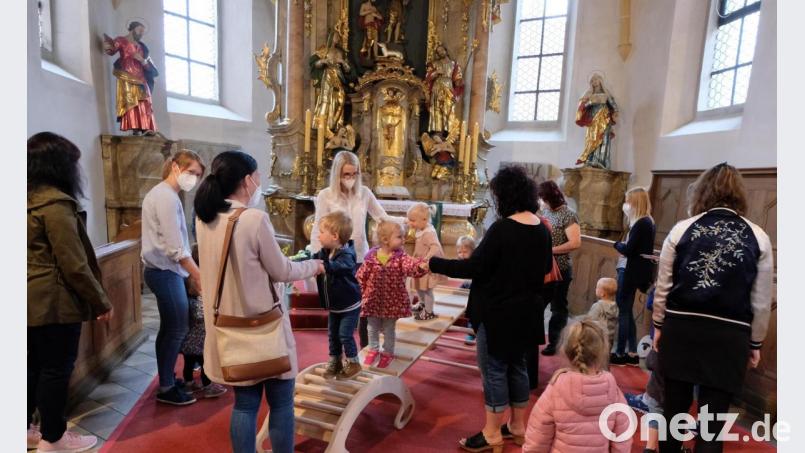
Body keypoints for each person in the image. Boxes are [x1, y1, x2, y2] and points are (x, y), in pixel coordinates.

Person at [194, 151, 323, 453]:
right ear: (247, 180)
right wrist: (314, 266)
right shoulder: (253, 219)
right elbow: (281, 271)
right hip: (262, 324)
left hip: (228, 325)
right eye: (258, 176)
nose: (260, 182)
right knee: (280, 403)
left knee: (244, 405)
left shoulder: (206, 217)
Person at [427, 165, 553, 452]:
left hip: (498, 313)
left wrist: (435, 263)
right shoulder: (541, 229)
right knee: (517, 366)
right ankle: (518, 426)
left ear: (506, 196)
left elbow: (475, 267)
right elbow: (545, 267)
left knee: (494, 370)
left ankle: (492, 432)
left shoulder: (502, 229)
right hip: (527, 313)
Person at [653, 163, 773, 453]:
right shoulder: (758, 236)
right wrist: (755, 342)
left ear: (702, 192)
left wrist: (659, 325)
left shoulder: (682, 229)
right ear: (739, 195)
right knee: (712, 426)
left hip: (682, 330)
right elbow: (760, 299)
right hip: (729, 337)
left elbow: (664, 287)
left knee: (674, 416)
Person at [28, 132, 114, 452]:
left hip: (26, 300)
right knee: (55, 369)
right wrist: (100, 301)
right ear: (59, 166)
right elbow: (74, 264)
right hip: (54, 303)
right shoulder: (55, 204)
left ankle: (25, 428)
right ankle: (53, 438)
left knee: (32, 366)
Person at [310, 150, 404, 348]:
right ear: (337, 174)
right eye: (346, 175)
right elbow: (319, 226)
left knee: (364, 306)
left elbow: (382, 216)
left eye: (354, 174)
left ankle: (366, 348)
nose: (351, 178)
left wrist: (404, 222)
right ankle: (338, 351)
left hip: (361, 256)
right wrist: (316, 258)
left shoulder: (364, 193)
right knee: (341, 307)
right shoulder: (326, 195)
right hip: (337, 259)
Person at [141, 149, 206, 406]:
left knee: (170, 329)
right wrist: (198, 275)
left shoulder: (165, 194)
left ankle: (167, 378)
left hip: (166, 270)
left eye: (198, 175)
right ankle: (167, 388)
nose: (194, 178)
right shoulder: (166, 197)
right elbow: (175, 248)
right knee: (177, 328)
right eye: (191, 172)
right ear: (176, 167)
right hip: (164, 271)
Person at [522, 320, 633, 453]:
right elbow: (623, 438)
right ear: (603, 351)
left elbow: (537, 439)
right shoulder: (613, 391)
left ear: (566, 351)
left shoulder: (555, 390)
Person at [357, 221, 428, 369]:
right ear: (385, 240)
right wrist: (363, 293)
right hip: (373, 301)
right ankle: (373, 349)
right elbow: (361, 276)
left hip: (392, 302)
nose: (403, 240)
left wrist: (420, 266)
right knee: (372, 327)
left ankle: (388, 352)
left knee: (389, 328)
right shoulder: (371, 258)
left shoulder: (401, 257)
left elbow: (411, 268)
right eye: (399, 237)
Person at [312, 211, 363, 380]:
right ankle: (336, 361)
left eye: (321, 232)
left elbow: (340, 267)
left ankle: (354, 363)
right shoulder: (325, 252)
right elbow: (314, 259)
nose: (318, 235)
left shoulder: (347, 254)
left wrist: (323, 266)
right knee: (332, 334)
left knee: (344, 335)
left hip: (349, 305)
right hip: (335, 305)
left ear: (334, 236)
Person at [611, 187, 656, 366]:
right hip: (634, 270)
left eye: (628, 200)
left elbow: (629, 250)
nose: (626, 204)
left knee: (623, 311)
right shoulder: (647, 221)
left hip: (629, 271)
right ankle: (631, 353)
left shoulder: (641, 223)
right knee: (627, 312)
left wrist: (617, 244)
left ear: (635, 202)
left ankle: (620, 353)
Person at [538, 180, 581, 356]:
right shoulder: (545, 211)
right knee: (537, 305)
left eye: (542, 197)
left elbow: (575, 242)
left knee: (557, 308)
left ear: (549, 197)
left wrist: (550, 250)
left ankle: (555, 343)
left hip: (560, 268)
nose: (540, 201)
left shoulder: (568, 214)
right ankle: (534, 338)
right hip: (543, 267)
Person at [180, 245, 227, 399]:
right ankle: (208, 386)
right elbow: (203, 316)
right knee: (205, 363)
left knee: (188, 363)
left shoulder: (189, 297)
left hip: (189, 341)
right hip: (200, 341)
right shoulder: (199, 300)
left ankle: (188, 383)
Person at [103, 21, 158, 134]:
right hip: (127, 75)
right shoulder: (121, 40)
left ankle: (145, 127)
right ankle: (135, 129)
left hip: (142, 77)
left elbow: (149, 65)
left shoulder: (143, 47)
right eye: (139, 30)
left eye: (142, 32)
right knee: (131, 100)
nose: (141, 33)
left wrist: (142, 60)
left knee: (145, 100)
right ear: (132, 29)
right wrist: (108, 45)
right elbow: (112, 50)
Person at [407, 202, 447, 321]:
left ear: (424, 219)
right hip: (420, 266)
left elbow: (435, 247)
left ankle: (429, 311)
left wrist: (426, 259)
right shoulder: (421, 229)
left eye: (412, 220)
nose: (410, 223)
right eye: (409, 220)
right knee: (419, 286)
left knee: (427, 289)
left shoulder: (429, 233)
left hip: (427, 266)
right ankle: (422, 304)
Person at [574, 73, 618, 169]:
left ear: (600, 81)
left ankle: (602, 162)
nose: (595, 82)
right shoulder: (588, 94)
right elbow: (581, 107)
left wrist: (615, 111)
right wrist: (590, 102)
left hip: (604, 119)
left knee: (604, 139)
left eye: (596, 79)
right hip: (593, 120)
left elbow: (613, 104)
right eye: (592, 80)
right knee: (592, 139)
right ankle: (591, 160)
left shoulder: (606, 93)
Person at [424, 44, 465, 133]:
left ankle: (449, 131)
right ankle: (438, 131)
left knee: (449, 108)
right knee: (437, 108)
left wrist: (458, 82)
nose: (441, 52)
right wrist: (435, 72)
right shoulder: (434, 64)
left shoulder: (454, 64)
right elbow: (427, 77)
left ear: (446, 51)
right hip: (437, 87)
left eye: (442, 50)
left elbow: (458, 79)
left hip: (448, 87)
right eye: (438, 51)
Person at [586, 277, 619, 349]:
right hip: (609, 338)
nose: (595, 289)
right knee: (605, 356)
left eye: (597, 287)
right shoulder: (615, 306)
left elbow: (590, 320)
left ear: (602, 294)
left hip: (597, 337)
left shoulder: (598, 306)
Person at [455, 235, 477, 345]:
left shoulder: (474, 261)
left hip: (475, 286)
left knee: (472, 311)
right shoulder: (462, 261)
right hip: (468, 284)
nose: (462, 254)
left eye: (465, 251)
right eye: (459, 252)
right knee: (456, 294)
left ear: (472, 251)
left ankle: (471, 332)